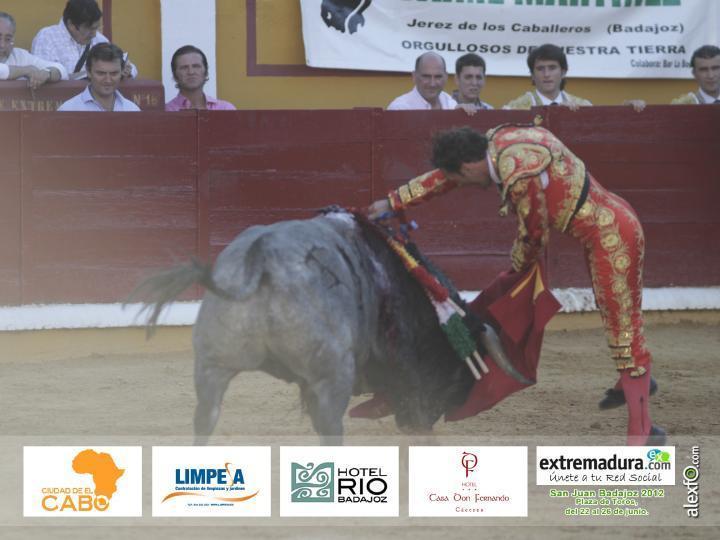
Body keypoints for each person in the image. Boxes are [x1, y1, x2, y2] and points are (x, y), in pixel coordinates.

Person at [368, 124, 665, 446]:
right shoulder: (497, 140)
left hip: (613, 236)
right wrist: (394, 201)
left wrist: (518, 268)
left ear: (468, 167)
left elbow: (535, 234)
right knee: (622, 327)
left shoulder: (519, 174)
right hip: (611, 218)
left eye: (462, 179)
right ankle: (633, 384)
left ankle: (643, 432)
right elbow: (446, 176)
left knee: (623, 330)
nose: (465, 185)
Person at [503, 44, 645, 111]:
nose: (546, 74)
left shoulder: (584, 106)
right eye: (540, 69)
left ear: (563, 72)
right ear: (533, 76)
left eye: (552, 68)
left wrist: (627, 112)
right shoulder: (513, 109)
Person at [32, 0, 136, 80]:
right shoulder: (47, 37)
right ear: (71, 25)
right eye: (90, 29)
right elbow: (43, 77)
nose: (94, 34)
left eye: (97, 27)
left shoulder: (98, 39)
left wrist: (126, 69)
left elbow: (132, 68)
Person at [57, 42, 139, 111]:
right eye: (101, 73)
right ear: (88, 72)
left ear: (122, 72)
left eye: (114, 73)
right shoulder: (69, 109)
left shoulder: (132, 110)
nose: (108, 80)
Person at [0, 12, 67, 88]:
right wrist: (26, 70)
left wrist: (47, 73)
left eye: (8, 39)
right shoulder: (27, 68)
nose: (2, 45)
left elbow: (62, 70)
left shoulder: (20, 56)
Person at [165, 45, 235, 111]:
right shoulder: (166, 112)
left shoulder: (224, 109)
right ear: (174, 75)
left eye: (196, 66)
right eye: (184, 68)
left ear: (206, 72)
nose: (191, 72)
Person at [387, 52, 458, 111]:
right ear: (414, 76)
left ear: (446, 77)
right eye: (426, 76)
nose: (432, 84)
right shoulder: (399, 109)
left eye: (438, 77)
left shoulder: (451, 104)